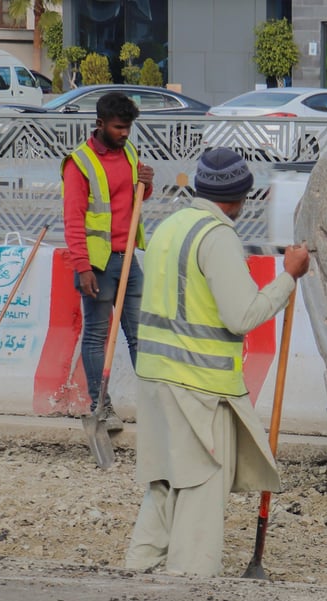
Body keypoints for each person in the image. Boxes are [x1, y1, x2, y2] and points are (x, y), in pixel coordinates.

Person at [124, 147, 311, 577]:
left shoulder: (170, 226)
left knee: (166, 481)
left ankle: (138, 572)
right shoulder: (217, 235)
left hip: (156, 377)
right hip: (197, 386)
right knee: (201, 486)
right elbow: (242, 315)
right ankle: (190, 585)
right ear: (241, 196)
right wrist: (289, 275)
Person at [62, 92, 155, 431]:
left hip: (129, 258)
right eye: (118, 128)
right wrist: (82, 267)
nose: (125, 134)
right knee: (96, 335)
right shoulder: (79, 163)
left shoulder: (129, 151)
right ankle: (101, 407)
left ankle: (155, 407)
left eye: (128, 127)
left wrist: (147, 184)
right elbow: (73, 219)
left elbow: (137, 199)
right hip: (98, 266)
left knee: (140, 335)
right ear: (100, 124)